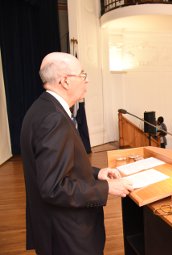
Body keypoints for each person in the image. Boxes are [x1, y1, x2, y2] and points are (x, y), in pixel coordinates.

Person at [20, 52, 133, 255]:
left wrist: (96, 173)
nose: (86, 80)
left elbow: (61, 165)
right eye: (82, 74)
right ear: (65, 81)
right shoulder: (53, 119)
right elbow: (54, 188)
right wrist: (106, 187)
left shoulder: (43, 108)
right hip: (68, 234)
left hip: (56, 228)